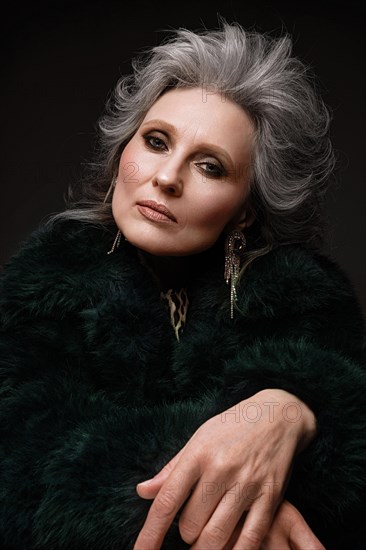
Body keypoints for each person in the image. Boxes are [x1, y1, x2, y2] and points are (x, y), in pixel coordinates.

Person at [0, 16, 365, 550]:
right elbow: (25, 466)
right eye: (155, 141)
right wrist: (235, 489)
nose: (167, 177)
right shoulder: (48, 280)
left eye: (211, 167)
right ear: (124, 151)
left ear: (245, 212)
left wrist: (295, 409)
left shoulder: (303, 296)